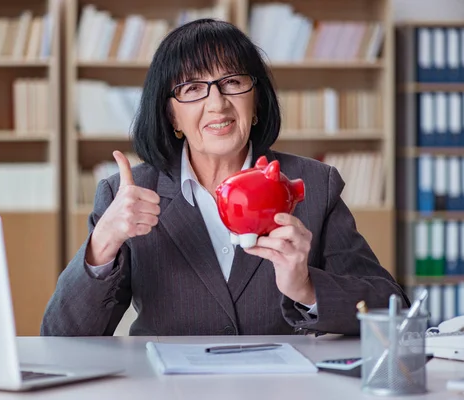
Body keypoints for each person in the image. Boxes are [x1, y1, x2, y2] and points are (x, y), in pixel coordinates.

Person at [41, 18, 409, 337]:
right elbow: (60, 336)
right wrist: (102, 243)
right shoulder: (127, 194)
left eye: (232, 82)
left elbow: (394, 311)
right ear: (172, 118)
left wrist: (307, 288)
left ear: (257, 102)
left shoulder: (314, 184)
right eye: (192, 89)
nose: (217, 104)